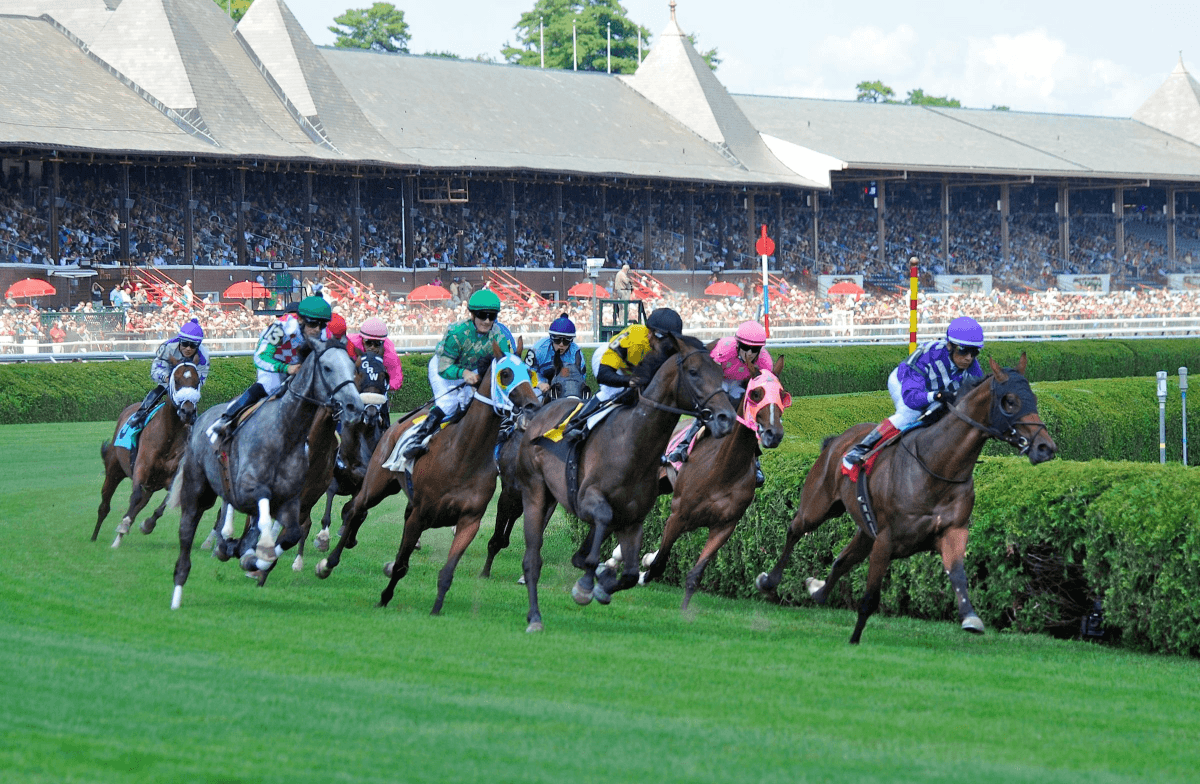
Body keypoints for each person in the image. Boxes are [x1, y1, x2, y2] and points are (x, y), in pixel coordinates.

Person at [843, 316, 985, 469]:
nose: (969, 358)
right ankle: (860, 449)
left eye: (974, 352)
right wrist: (936, 395)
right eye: (963, 351)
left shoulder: (973, 368)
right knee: (909, 413)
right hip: (905, 384)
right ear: (950, 345)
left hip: (935, 390)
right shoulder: (926, 356)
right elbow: (911, 398)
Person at [402, 290, 514, 459]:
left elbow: (506, 363)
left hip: (471, 368)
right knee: (449, 402)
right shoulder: (456, 332)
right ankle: (416, 440)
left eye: (492, 316)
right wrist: (463, 373)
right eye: (483, 315)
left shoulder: (497, 335)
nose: (487, 321)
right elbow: (445, 368)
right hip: (444, 366)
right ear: (473, 314)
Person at [206, 296, 331, 443]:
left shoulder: (324, 333)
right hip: (273, 365)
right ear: (301, 320)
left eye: (322, 325)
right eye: (313, 324)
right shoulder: (280, 328)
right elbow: (261, 357)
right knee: (270, 386)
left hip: (298, 366)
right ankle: (227, 417)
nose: (317, 329)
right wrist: (285, 367)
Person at [562, 307, 684, 441]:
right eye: (662, 339)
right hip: (607, 359)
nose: (666, 346)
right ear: (650, 333)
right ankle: (578, 423)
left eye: (670, 341)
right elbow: (603, 375)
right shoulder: (635, 338)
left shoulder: (672, 347)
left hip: (632, 368)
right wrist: (628, 381)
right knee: (614, 391)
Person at [665, 320, 773, 469]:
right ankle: (683, 445)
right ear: (738, 345)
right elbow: (708, 371)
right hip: (719, 378)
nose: (749, 353)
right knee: (711, 408)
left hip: (740, 384)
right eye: (746, 348)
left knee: (749, 416)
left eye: (755, 349)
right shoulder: (725, 348)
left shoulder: (765, 362)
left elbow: (761, 389)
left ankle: (755, 461)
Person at [127, 317, 210, 432]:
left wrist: (188, 388)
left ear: (198, 345)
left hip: (188, 379)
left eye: (193, 346)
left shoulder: (203, 357)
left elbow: (200, 380)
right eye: (185, 344)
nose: (188, 348)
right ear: (180, 341)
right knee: (161, 389)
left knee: (191, 396)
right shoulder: (168, 347)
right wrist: (167, 378)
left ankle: (194, 420)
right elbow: (155, 370)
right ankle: (140, 414)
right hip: (169, 374)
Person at [525, 313, 586, 397]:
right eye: (557, 340)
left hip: (566, 384)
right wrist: (539, 384)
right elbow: (527, 371)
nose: (561, 344)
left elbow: (580, 379)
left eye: (566, 341)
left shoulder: (576, 353)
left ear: (571, 341)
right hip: (542, 382)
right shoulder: (538, 349)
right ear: (551, 338)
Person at [346, 315, 404, 393]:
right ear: (362, 339)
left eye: (377, 343)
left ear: (383, 342)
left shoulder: (389, 350)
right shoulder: (351, 343)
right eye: (368, 342)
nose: (372, 347)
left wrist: (382, 385)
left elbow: (396, 379)